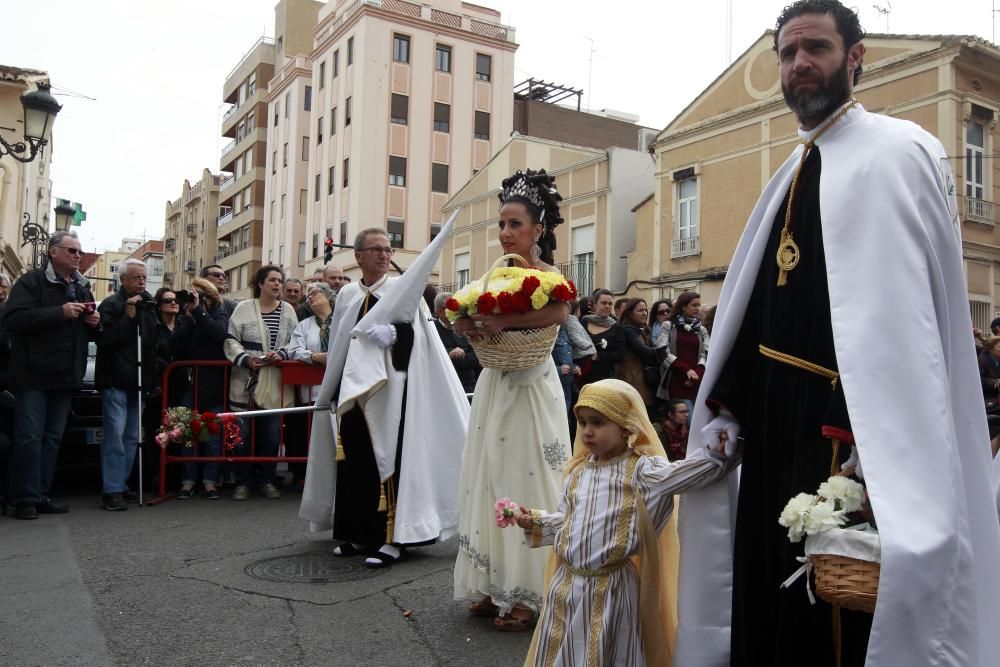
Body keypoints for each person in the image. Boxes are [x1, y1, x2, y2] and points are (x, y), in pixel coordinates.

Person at [676, 2, 1000, 665]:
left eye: (816, 48)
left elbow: (903, 325)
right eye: (788, 53)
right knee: (772, 593)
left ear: (855, 58)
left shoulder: (897, 153)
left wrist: (868, 442)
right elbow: (759, 309)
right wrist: (730, 404)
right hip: (771, 430)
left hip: (842, 435)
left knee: (833, 610)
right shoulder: (790, 173)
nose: (800, 64)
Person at [507, 379, 734, 665]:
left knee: (606, 650)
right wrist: (536, 522)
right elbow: (568, 520)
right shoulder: (579, 471)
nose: (587, 431)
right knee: (561, 648)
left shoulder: (641, 469)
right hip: (565, 586)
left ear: (626, 425)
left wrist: (719, 452)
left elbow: (683, 474)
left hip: (611, 588)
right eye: (583, 422)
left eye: (598, 422)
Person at [301, 225, 469, 569]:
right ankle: (360, 531)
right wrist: (332, 389)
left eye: (388, 249)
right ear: (358, 256)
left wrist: (395, 335)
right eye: (376, 249)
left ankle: (394, 538)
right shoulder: (347, 295)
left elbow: (421, 343)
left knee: (389, 464)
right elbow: (339, 344)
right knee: (355, 463)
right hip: (353, 395)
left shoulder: (401, 290)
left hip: (393, 392)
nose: (384, 255)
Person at [452, 169, 572, 631]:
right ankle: (489, 582)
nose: (505, 233)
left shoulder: (546, 275)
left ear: (537, 230)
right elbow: (471, 310)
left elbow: (560, 311)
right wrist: (469, 324)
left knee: (528, 474)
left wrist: (502, 324)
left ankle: (527, 592)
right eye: (501, 224)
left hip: (530, 385)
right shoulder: (492, 273)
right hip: (495, 382)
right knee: (487, 475)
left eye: (515, 224)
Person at [3, 232, 99, 519]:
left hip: (66, 376)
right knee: (29, 437)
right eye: (72, 251)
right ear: (53, 252)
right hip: (33, 375)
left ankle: (42, 494)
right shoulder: (32, 282)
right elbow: (13, 319)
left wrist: (94, 322)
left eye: (80, 252)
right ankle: (23, 499)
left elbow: (90, 326)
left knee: (52, 438)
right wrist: (59, 312)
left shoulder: (82, 287)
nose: (78, 256)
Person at [224, 265, 298, 501]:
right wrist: (245, 358)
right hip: (245, 379)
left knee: (271, 435)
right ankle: (242, 482)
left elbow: (296, 340)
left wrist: (283, 354)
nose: (277, 284)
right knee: (242, 434)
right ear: (260, 283)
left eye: (280, 280)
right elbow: (230, 339)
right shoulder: (243, 308)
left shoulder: (288, 310)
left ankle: (267, 480)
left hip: (275, 380)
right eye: (273, 280)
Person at [96, 259, 160, 511]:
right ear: (123, 280)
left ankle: (121, 484)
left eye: (144, 277)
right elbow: (106, 339)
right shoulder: (112, 304)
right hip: (116, 380)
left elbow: (152, 345)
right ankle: (111, 488)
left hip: (140, 382)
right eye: (136, 278)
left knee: (133, 436)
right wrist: (129, 316)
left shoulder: (149, 304)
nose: (142, 281)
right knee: (115, 437)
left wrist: (152, 380)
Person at [170, 277, 231, 500]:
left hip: (214, 383)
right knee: (188, 432)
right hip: (191, 383)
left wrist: (199, 313)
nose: (192, 299)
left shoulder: (218, 312)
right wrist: (189, 319)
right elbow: (175, 345)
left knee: (212, 435)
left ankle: (209, 480)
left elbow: (219, 334)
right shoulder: (186, 317)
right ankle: (188, 480)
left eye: (198, 294)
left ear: (208, 296)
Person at [286, 281, 336, 488]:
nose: (310, 297)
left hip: (338, 389)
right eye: (309, 295)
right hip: (311, 392)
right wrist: (314, 356)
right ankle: (307, 477)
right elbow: (294, 350)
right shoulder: (304, 325)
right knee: (309, 435)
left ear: (329, 297)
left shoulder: (343, 321)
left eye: (315, 293)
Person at [654, 291, 709, 415]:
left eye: (698, 305)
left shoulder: (701, 329)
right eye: (694, 305)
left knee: (696, 421)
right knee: (686, 420)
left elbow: (705, 353)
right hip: (677, 380)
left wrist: (697, 373)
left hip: (696, 381)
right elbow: (662, 350)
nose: (697, 308)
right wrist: (686, 370)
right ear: (683, 306)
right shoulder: (668, 325)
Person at [617, 298, 662, 411]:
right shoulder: (628, 330)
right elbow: (646, 352)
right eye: (640, 310)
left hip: (645, 380)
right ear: (630, 314)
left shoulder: (645, 330)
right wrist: (664, 349)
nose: (644, 313)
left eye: (646, 310)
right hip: (633, 379)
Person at [432, 292, 480, 394]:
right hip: (446, 387)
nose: (456, 311)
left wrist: (457, 358)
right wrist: (449, 354)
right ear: (440, 311)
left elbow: (476, 357)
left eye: (457, 307)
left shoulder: (464, 328)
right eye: (451, 307)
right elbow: (432, 356)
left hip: (469, 387)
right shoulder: (432, 330)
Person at [579, 289, 626, 386]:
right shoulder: (584, 322)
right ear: (595, 304)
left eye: (610, 304)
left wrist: (598, 356)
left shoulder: (617, 327)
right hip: (582, 376)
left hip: (606, 379)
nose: (607, 306)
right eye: (603, 303)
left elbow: (620, 355)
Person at [979, 336, 1000, 456]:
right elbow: (978, 380)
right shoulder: (982, 359)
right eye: (999, 347)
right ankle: (991, 458)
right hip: (989, 402)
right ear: (991, 348)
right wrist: (995, 383)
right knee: (994, 430)